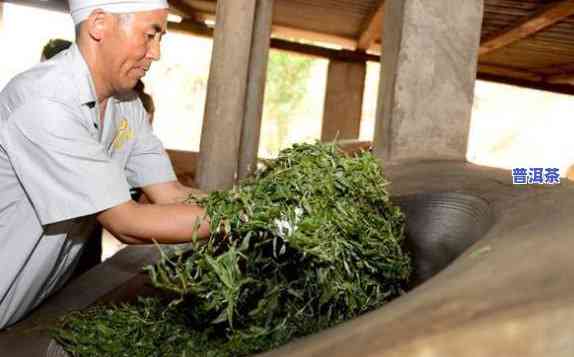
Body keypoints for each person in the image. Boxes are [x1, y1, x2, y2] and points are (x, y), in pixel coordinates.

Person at [0, 0, 211, 329]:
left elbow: (170, 194)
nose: (155, 53)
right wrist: (243, 217)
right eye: (149, 35)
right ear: (99, 24)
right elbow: (127, 222)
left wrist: (258, 205)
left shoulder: (126, 105)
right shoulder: (45, 100)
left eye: (160, 39)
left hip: (22, 303)